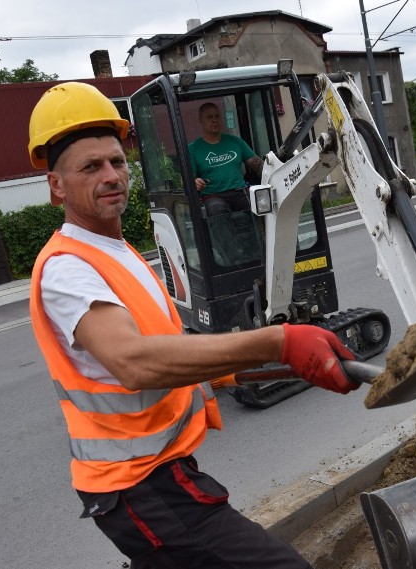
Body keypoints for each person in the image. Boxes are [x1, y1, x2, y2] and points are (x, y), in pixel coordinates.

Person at [26, 81, 357, 569]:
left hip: (151, 477)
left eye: (117, 162)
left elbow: (168, 347)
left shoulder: (117, 253)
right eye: (91, 167)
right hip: (140, 485)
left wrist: (252, 369)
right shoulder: (67, 267)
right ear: (57, 185)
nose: (111, 175)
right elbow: (134, 362)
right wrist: (279, 340)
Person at [189, 102, 263, 216]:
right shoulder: (193, 149)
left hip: (240, 192)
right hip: (213, 196)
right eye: (209, 117)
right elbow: (185, 179)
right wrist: (194, 182)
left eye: (217, 116)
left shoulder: (235, 142)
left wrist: (273, 167)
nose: (215, 120)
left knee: (260, 204)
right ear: (201, 120)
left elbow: (257, 164)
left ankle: (261, 234)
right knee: (217, 209)